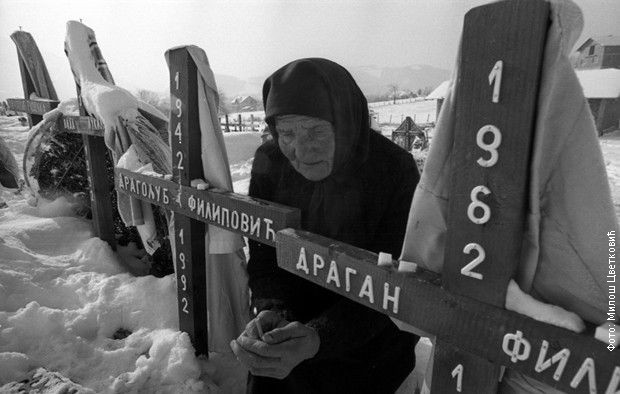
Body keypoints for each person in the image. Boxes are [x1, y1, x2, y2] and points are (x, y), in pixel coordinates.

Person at [230, 58, 421, 393]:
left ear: (346, 122)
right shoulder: (270, 163)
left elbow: (397, 287)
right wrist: (272, 309)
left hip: (371, 347)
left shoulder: (394, 172)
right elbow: (264, 251)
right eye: (287, 133)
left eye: (316, 130)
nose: (300, 151)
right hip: (290, 334)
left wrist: (320, 336)